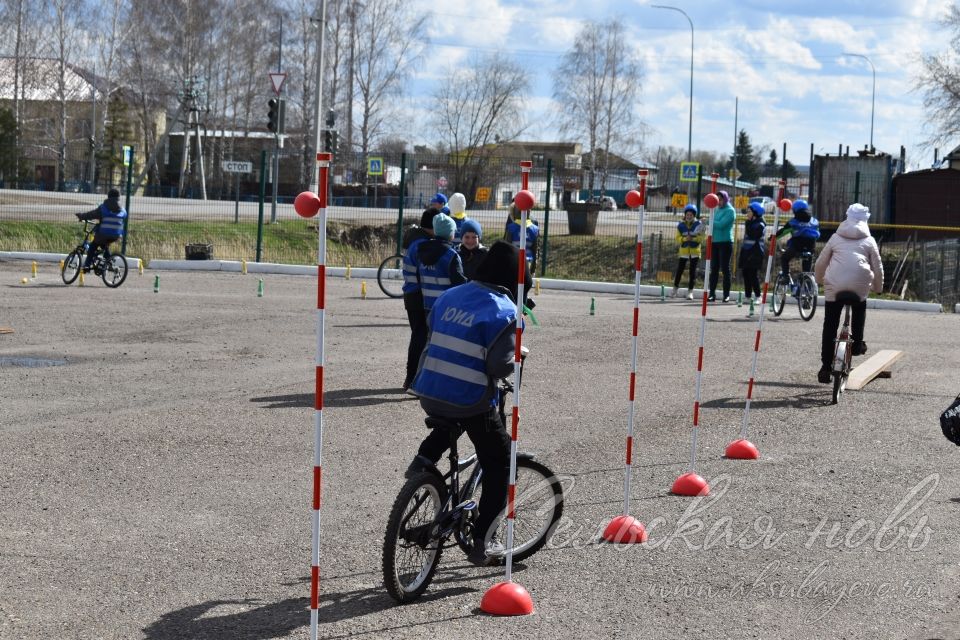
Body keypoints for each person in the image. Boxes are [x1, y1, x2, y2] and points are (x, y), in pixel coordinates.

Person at [406, 241, 525, 566]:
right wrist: (516, 357)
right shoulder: (503, 311)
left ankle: (423, 460)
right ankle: (483, 541)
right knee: (501, 461)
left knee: (452, 417)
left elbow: (435, 333)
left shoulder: (450, 295)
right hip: (469, 398)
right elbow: (499, 367)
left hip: (429, 389)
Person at [814, 203, 884, 384]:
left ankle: (825, 367)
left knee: (830, 324)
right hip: (859, 286)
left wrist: (819, 279)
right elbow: (878, 268)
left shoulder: (835, 238)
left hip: (834, 286)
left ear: (847, 217)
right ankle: (858, 343)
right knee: (859, 308)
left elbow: (821, 263)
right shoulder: (869, 241)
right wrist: (878, 288)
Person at [400, 207, 441, 391]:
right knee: (420, 336)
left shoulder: (414, 239)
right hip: (419, 294)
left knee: (418, 334)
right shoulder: (422, 245)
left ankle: (412, 377)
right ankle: (413, 378)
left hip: (410, 293)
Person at [411, 213, 466, 313]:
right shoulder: (451, 255)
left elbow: (418, 277)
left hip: (427, 305)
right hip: (447, 307)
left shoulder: (422, 250)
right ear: (451, 234)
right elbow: (460, 283)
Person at [75, 188, 127, 271]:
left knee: (93, 246)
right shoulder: (123, 210)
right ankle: (109, 262)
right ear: (118, 198)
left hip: (104, 234)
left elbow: (91, 214)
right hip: (116, 235)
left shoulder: (104, 207)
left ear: (108, 196)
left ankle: (87, 265)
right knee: (104, 245)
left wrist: (81, 216)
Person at [778, 199, 820, 277]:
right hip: (811, 247)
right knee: (806, 271)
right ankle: (807, 282)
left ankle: (785, 277)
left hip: (796, 248)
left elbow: (782, 232)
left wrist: (773, 237)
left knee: (784, 258)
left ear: (795, 211)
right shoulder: (814, 221)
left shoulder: (793, 222)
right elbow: (817, 233)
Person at [707, 190, 736, 302]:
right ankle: (712, 293)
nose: (719, 201)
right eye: (717, 199)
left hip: (725, 242)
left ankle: (726, 294)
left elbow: (721, 225)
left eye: (721, 199)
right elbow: (714, 223)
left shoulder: (730, 211)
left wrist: (710, 221)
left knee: (725, 268)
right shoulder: (716, 210)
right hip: (715, 242)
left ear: (726, 198)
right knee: (714, 268)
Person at [738, 202, 767, 303]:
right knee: (746, 273)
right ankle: (747, 296)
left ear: (755, 213)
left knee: (752, 274)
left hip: (756, 252)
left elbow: (753, 235)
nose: (747, 213)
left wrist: (748, 223)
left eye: (749, 211)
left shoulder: (760, 224)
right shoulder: (751, 223)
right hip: (747, 251)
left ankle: (758, 296)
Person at [672, 204, 703, 299]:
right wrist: (685, 239)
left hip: (695, 251)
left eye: (691, 215)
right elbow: (677, 238)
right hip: (684, 251)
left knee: (692, 272)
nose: (689, 216)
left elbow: (702, 237)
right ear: (685, 215)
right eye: (687, 214)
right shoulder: (681, 225)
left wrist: (693, 239)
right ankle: (675, 290)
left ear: (694, 215)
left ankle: (690, 292)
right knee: (679, 270)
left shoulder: (699, 225)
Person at [504, 203, 540, 273]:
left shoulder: (511, 228)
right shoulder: (535, 229)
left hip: (513, 261)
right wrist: (534, 267)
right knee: (526, 282)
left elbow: (506, 248)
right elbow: (535, 250)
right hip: (528, 262)